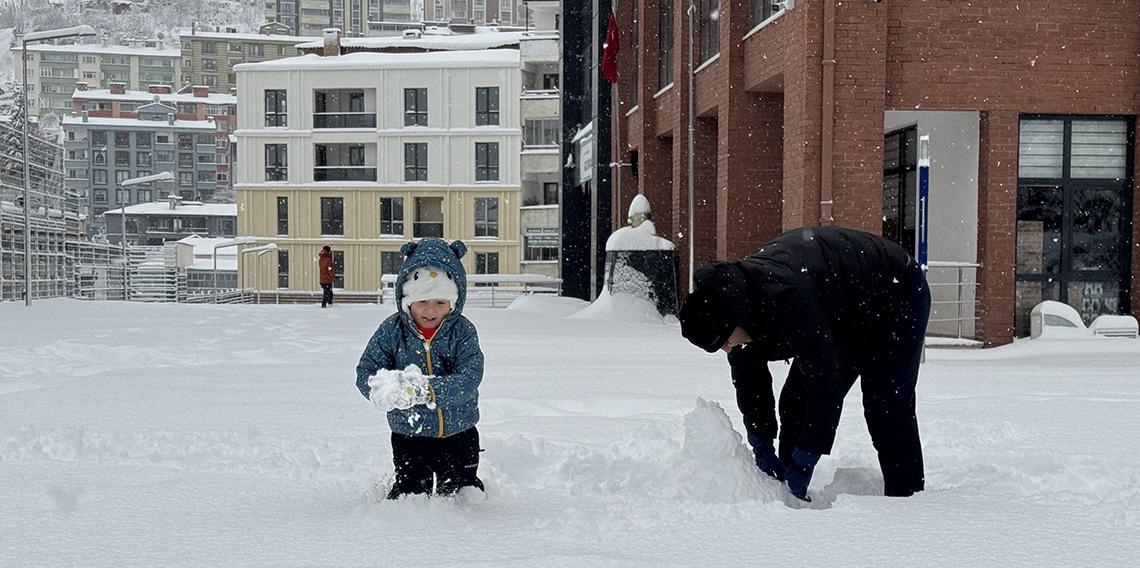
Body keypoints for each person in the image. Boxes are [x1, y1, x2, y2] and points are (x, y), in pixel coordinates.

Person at [679, 227, 931, 502]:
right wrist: (761, 441)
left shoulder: (786, 298)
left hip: (895, 291)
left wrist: (808, 455)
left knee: (886, 404)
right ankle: (790, 491)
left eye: (725, 341)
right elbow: (751, 381)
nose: (728, 349)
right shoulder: (735, 306)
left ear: (732, 321)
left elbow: (824, 383)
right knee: (795, 401)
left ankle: (907, 499)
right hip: (842, 307)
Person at [355, 238, 485, 499]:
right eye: (422, 301)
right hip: (409, 432)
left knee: (462, 491)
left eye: (440, 302)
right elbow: (367, 371)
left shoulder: (462, 331)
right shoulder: (391, 332)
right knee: (411, 490)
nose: (430, 310)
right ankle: (407, 524)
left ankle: (467, 522)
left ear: (454, 301)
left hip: (459, 429)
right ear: (406, 300)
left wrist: (428, 391)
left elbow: (470, 376)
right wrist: (385, 390)